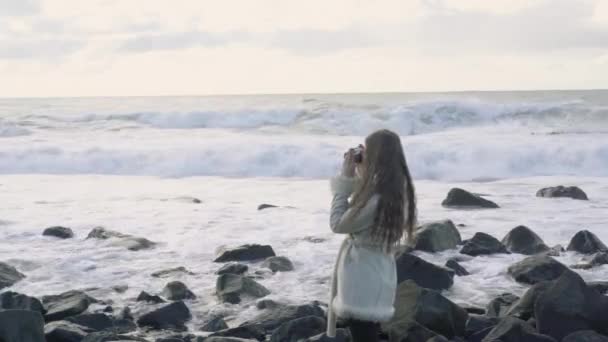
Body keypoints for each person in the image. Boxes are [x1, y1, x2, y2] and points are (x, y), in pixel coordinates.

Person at [326, 129, 417, 342]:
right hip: (378, 272)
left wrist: (343, 183)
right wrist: (360, 174)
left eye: (366, 150)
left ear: (376, 156)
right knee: (368, 333)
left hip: (362, 277)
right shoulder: (396, 192)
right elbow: (360, 212)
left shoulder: (375, 200)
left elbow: (338, 223)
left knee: (363, 335)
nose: (362, 154)